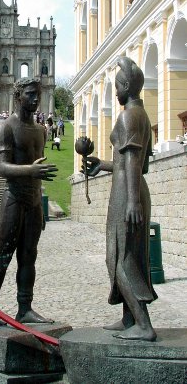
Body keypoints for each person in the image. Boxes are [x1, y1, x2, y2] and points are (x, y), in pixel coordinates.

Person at [84, 57, 157, 341]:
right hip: (133, 188)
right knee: (130, 256)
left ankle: (142, 324)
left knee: (119, 258)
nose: (115, 93)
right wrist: (104, 164)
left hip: (127, 194)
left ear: (126, 86)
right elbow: (137, 163)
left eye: (117, 87)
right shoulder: (142, 115)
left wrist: (131, 202)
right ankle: (129, 318)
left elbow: (135, 162)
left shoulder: (127, 117)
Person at [0, 77, 57, 327]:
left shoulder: (41, 129)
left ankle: (25, 308)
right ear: (18, 96)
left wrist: (40, 200)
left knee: (28, 256)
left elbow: (38, 166)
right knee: (1, 256)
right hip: (13, 198)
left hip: (33, 200)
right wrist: (30, 172)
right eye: (31, 94)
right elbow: (2, 168)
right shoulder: (4, 127)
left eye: (39, 95)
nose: (36, 99)